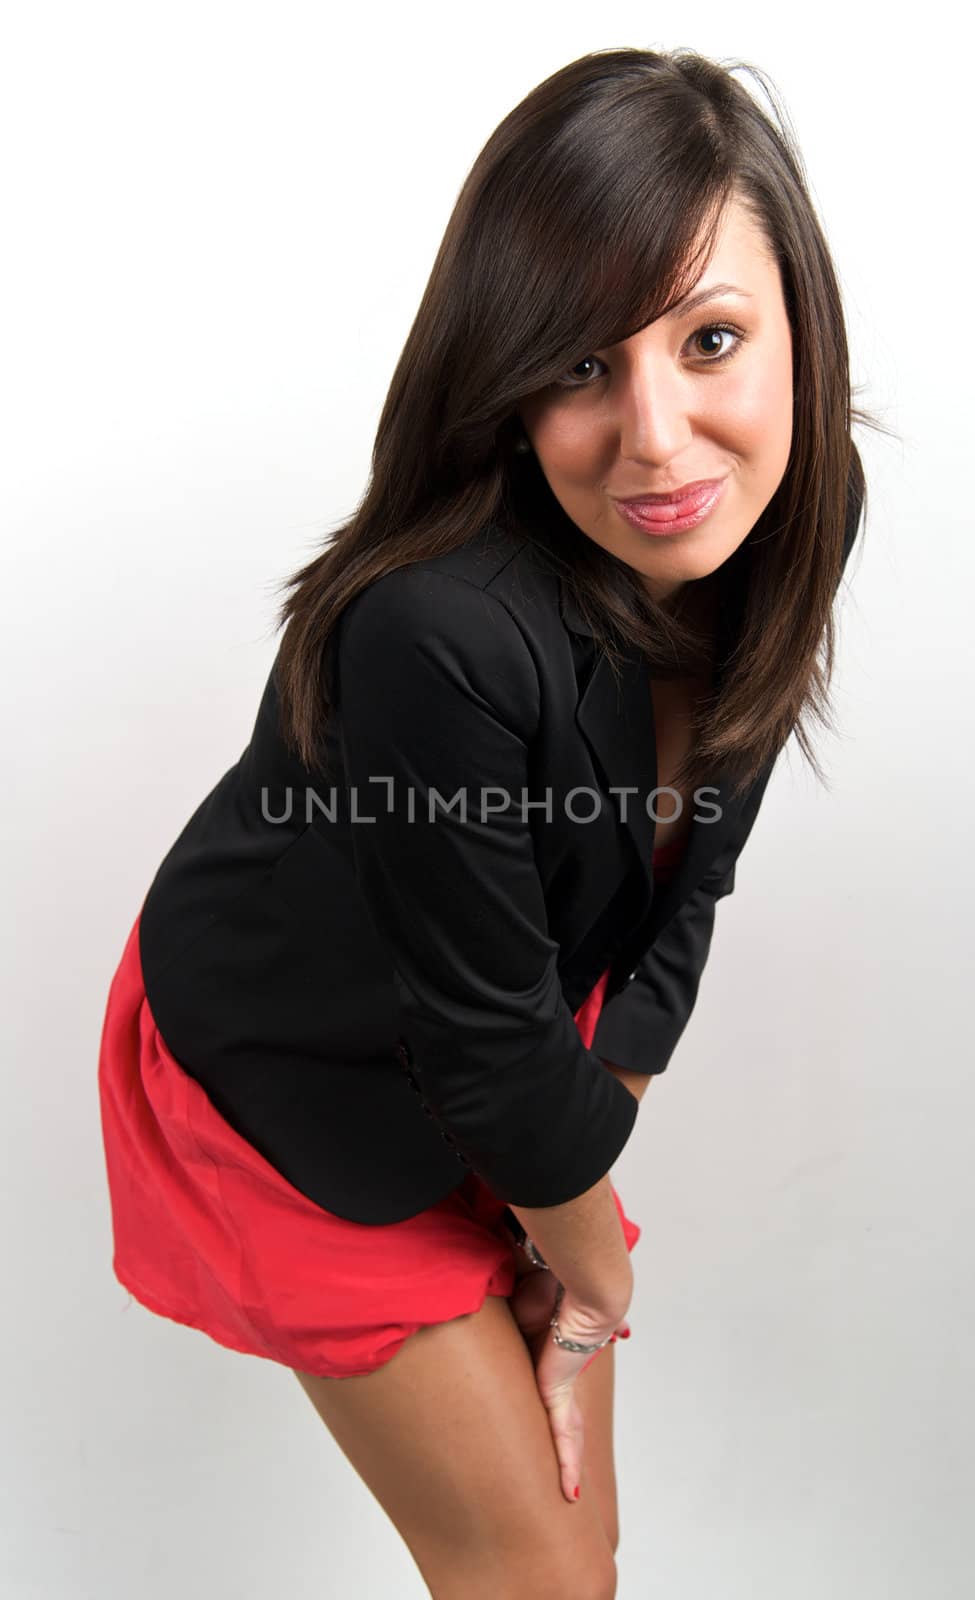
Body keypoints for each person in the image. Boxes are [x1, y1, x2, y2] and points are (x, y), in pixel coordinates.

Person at [96, 45, 880, 1600]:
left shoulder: (798, 508)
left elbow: (685, 886)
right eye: (581, 366)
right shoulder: (435, 628)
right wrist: (594, 1262)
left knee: (575, 1561)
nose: (659, 438)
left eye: (710, 341)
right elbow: (486, 1045)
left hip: (511, 1020)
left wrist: (577, 1216)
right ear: (506, 380)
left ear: (800, 331)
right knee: (535, 1574)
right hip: (300, 1053)